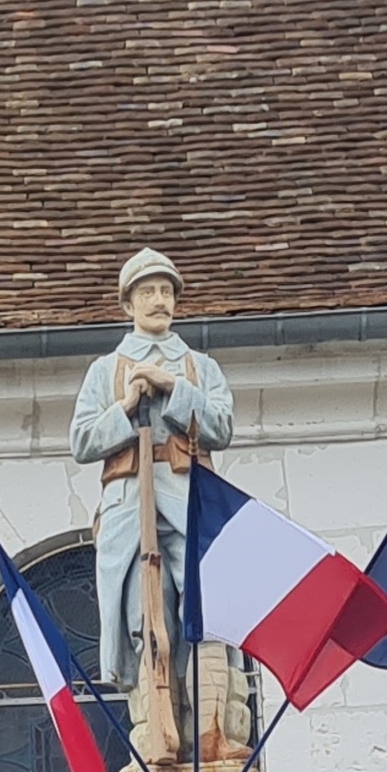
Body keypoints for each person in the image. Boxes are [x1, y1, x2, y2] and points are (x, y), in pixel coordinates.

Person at [68, 245, 237, 687]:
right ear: (129, 304)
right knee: (140, 613)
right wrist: (125, 406)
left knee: (205, 609)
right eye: (148, 292)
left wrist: (173, 388)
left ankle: (210, 716)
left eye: (166, 291)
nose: (159, 300)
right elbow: (82, 440)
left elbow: (220, 427)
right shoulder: (105, 370)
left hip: (188, 498)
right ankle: (154, 722)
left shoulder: (201, 367)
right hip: (129, 503)